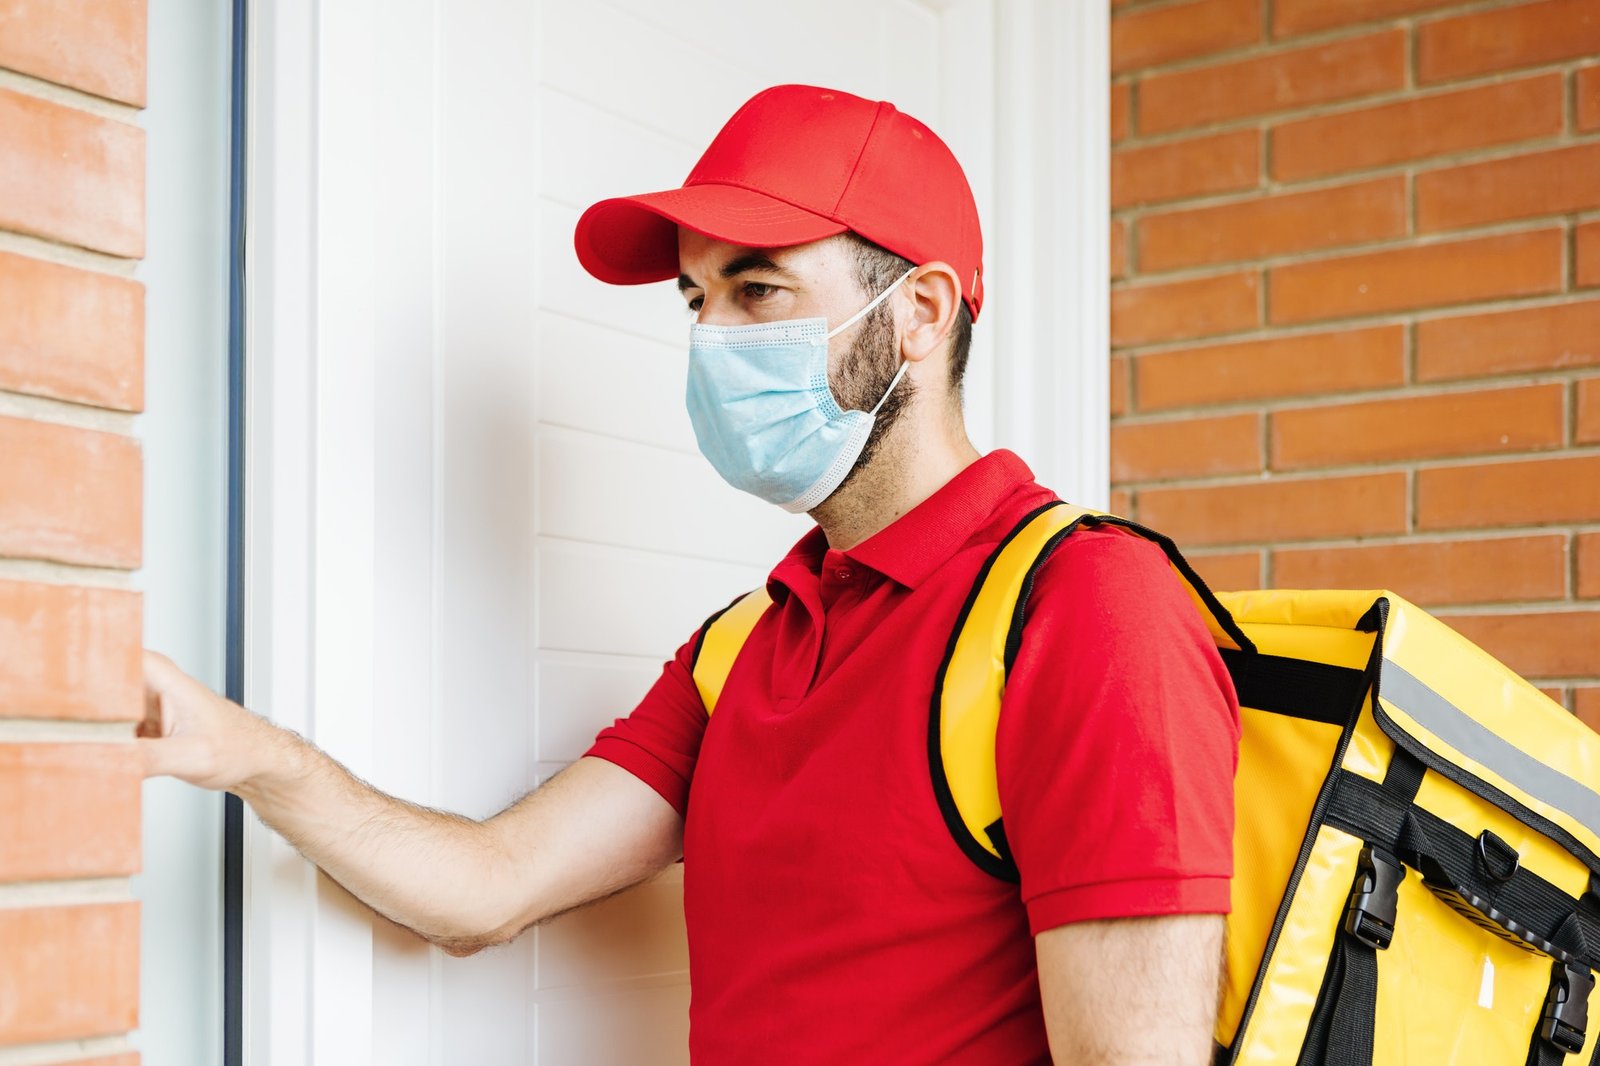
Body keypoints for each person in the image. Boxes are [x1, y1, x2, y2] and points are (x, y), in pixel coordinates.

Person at [141, 84, 1240, 1064]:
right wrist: (249, 754)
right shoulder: (747, 643)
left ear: (920, 313)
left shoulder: (1088, 606)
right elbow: (484, 888)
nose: (711, 337)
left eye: (757, 291)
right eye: (694, 299)